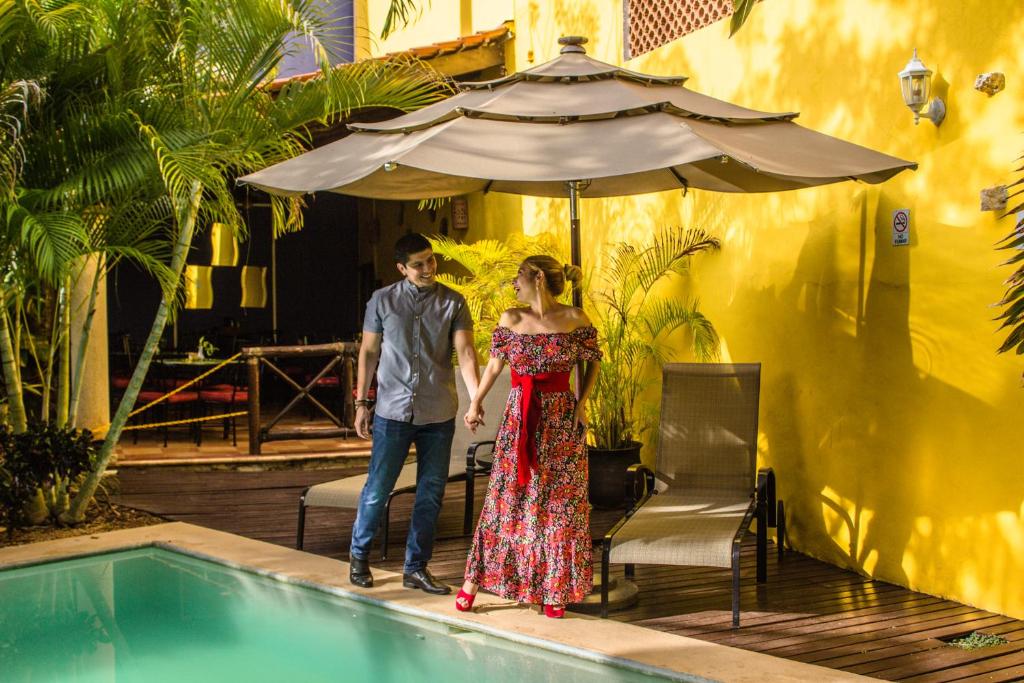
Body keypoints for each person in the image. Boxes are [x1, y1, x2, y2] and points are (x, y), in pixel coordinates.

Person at [456, 255, 601, 618]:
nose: (513, 284)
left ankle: (555, 589)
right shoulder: (511, 319)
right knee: (508, 498)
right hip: (519, 419)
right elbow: (493, 365)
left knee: (559, 506)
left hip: (561, 421)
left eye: (517, 276)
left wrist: (581, 405)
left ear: (537, 277)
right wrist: (475, 402)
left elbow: (592, 361)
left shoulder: (575, 319)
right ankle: (472, 583)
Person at [349, 233, 480, 595]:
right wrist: (362, 402)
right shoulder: (381, 301)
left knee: (431, 493)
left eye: (431, 261)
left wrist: (475, 398)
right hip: (392, 412)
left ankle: (416, 568)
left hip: (437, 412)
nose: (427, 269)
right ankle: (359, 556)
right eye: (418, 264)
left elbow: (466, 352)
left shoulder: (454, 302)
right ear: (402, 269)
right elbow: (369, 353)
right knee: (378, 489)